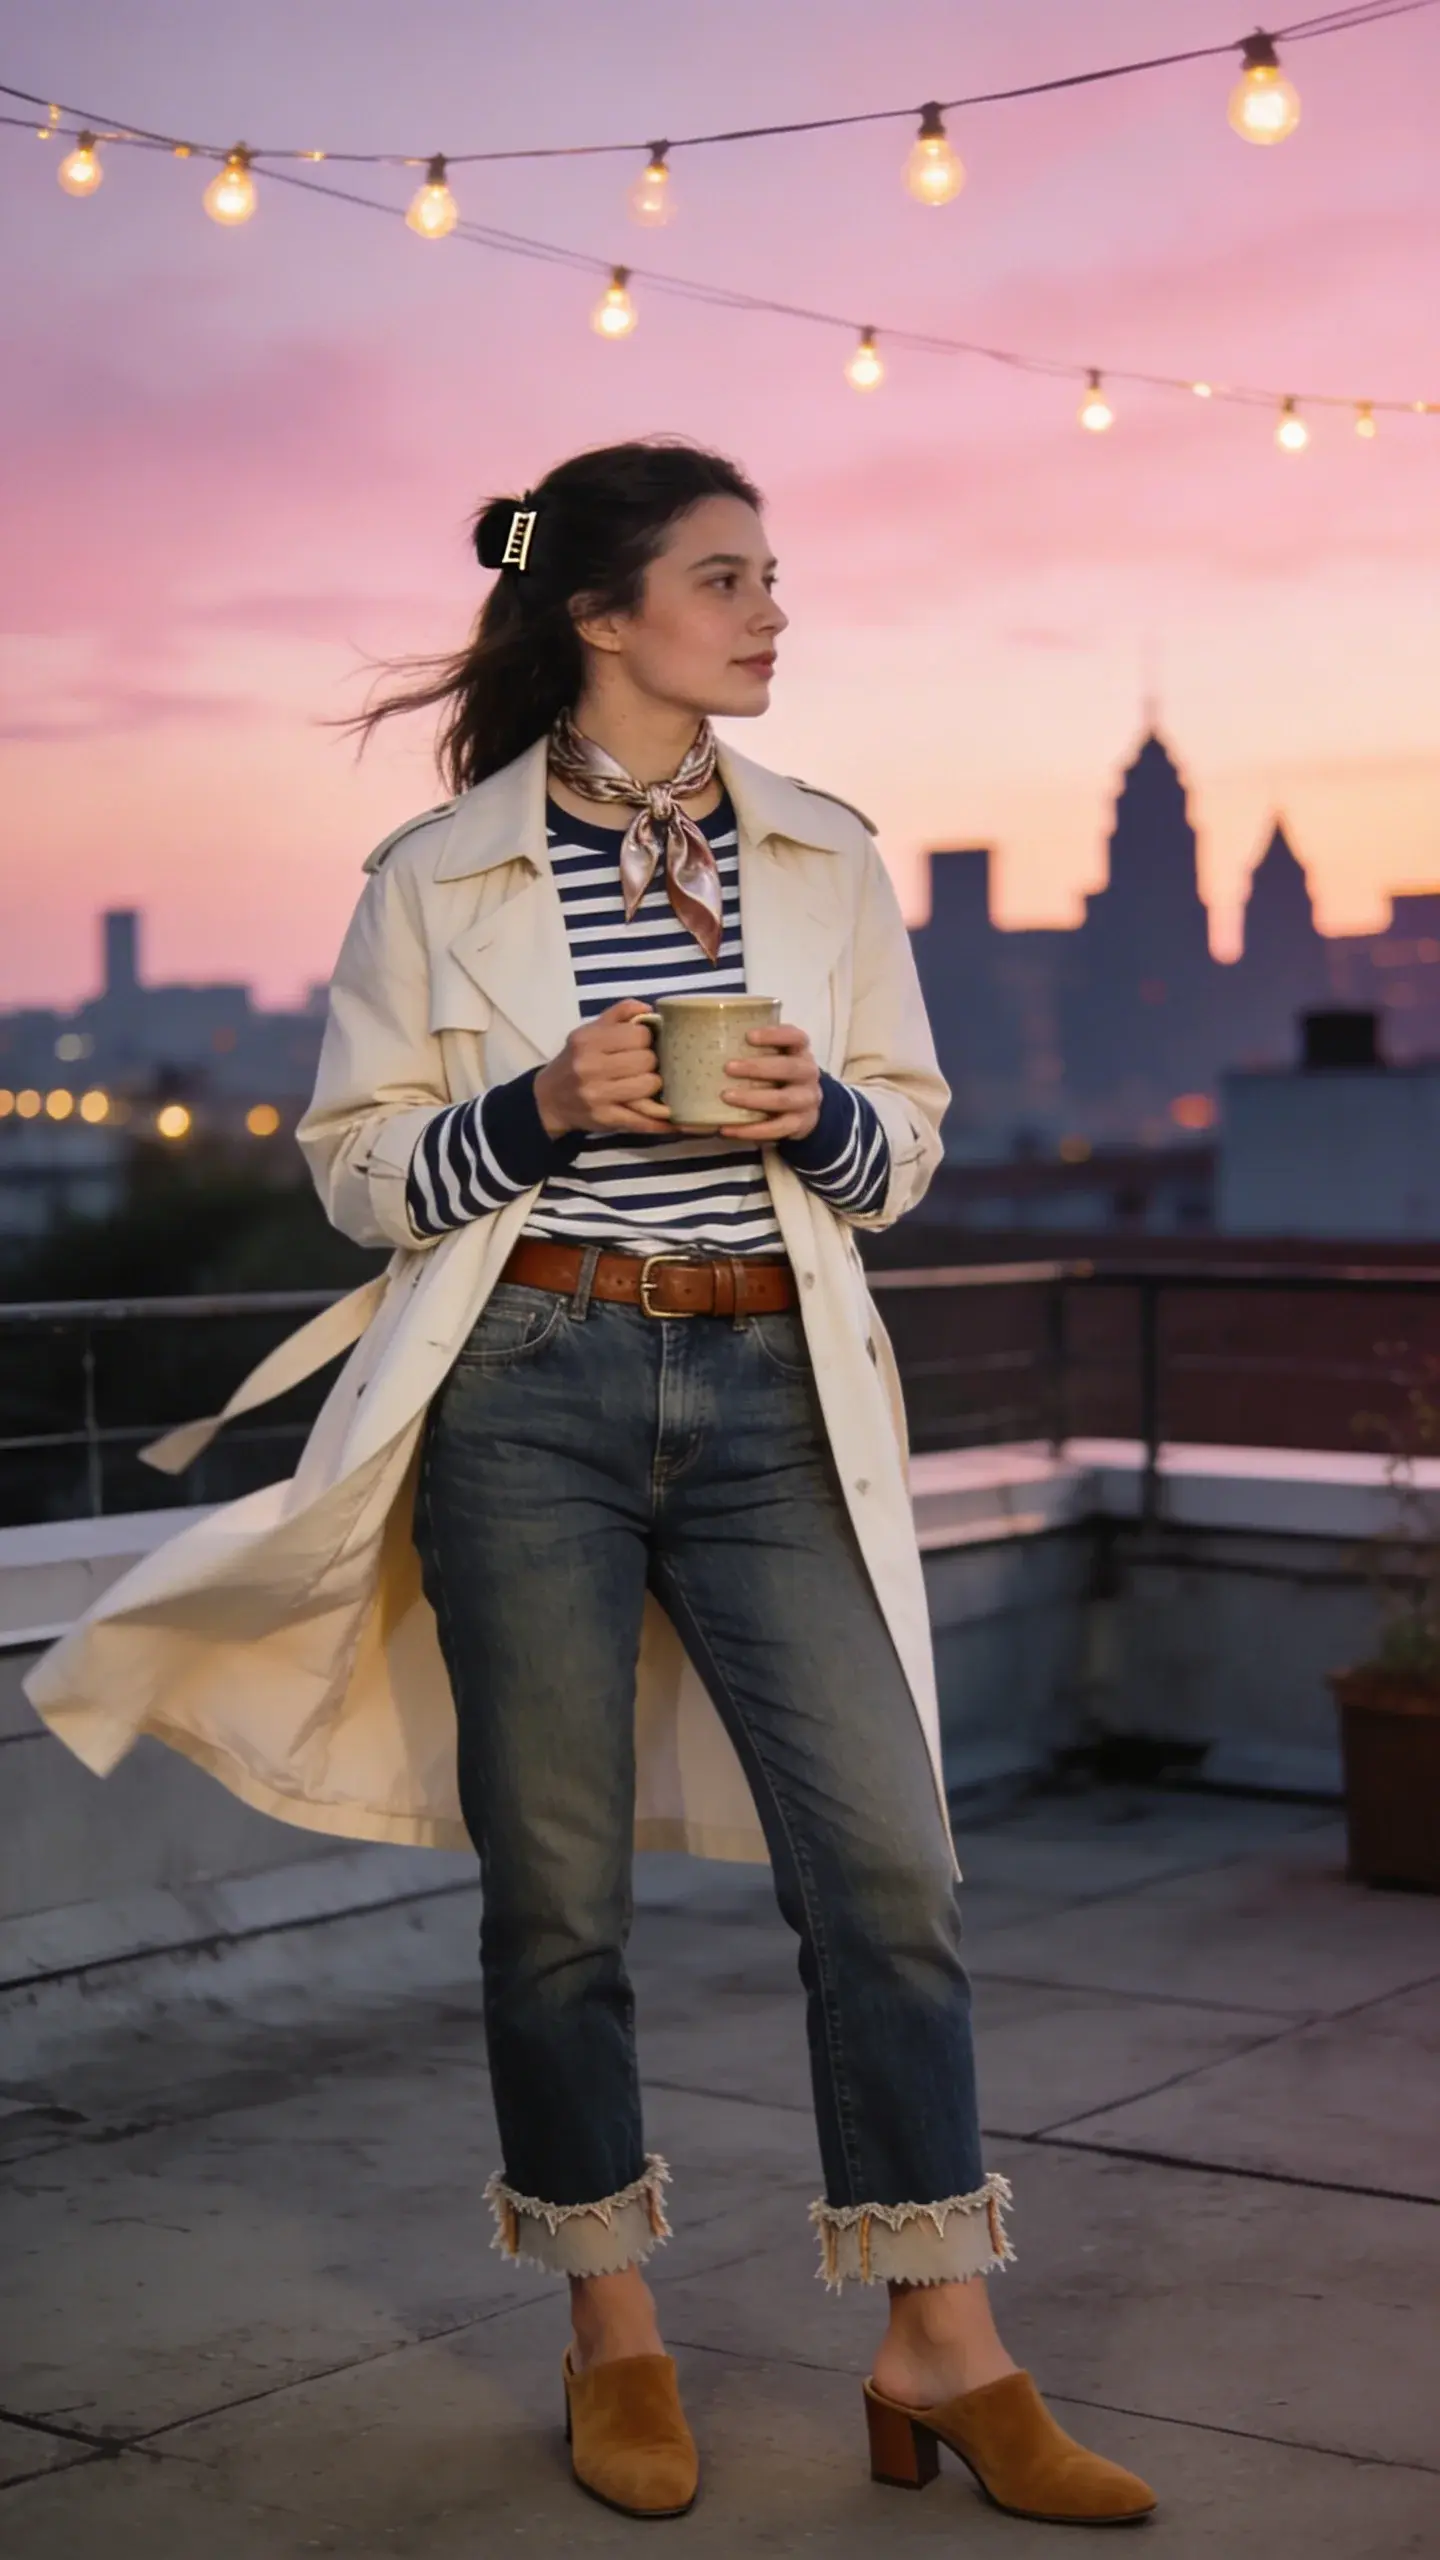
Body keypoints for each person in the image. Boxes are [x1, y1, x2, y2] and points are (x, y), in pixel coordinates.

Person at [26, 435, 1156, 2531]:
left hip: (773, 1387)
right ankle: (609, 2325)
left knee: (890, 1874)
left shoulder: (825, 853)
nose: (772, 611)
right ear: (603, 615)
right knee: (557, 1898)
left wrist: (821, 1117)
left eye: (773, 575)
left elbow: (904, 1148)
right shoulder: (433, 874)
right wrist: (538, 1104)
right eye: (728, 577)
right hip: (526, 1387)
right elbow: (359, 1173)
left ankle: (943, 2335)